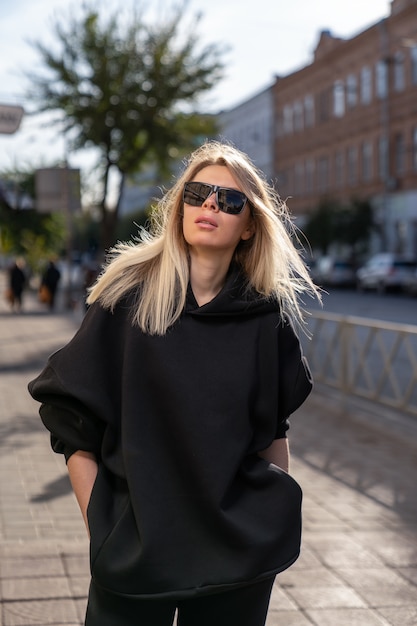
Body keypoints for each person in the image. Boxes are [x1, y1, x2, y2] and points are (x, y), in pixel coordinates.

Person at [28, 141, 320, 626]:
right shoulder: (126, 302)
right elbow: (71, 422)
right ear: (180, 204)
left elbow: (273, 434)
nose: (210, 204)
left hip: (236, 556)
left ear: (249, 226)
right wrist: (100, 527)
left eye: (229, 200)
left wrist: (271, 518)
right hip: (135, 555)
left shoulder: (266, 320)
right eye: (198, 192)